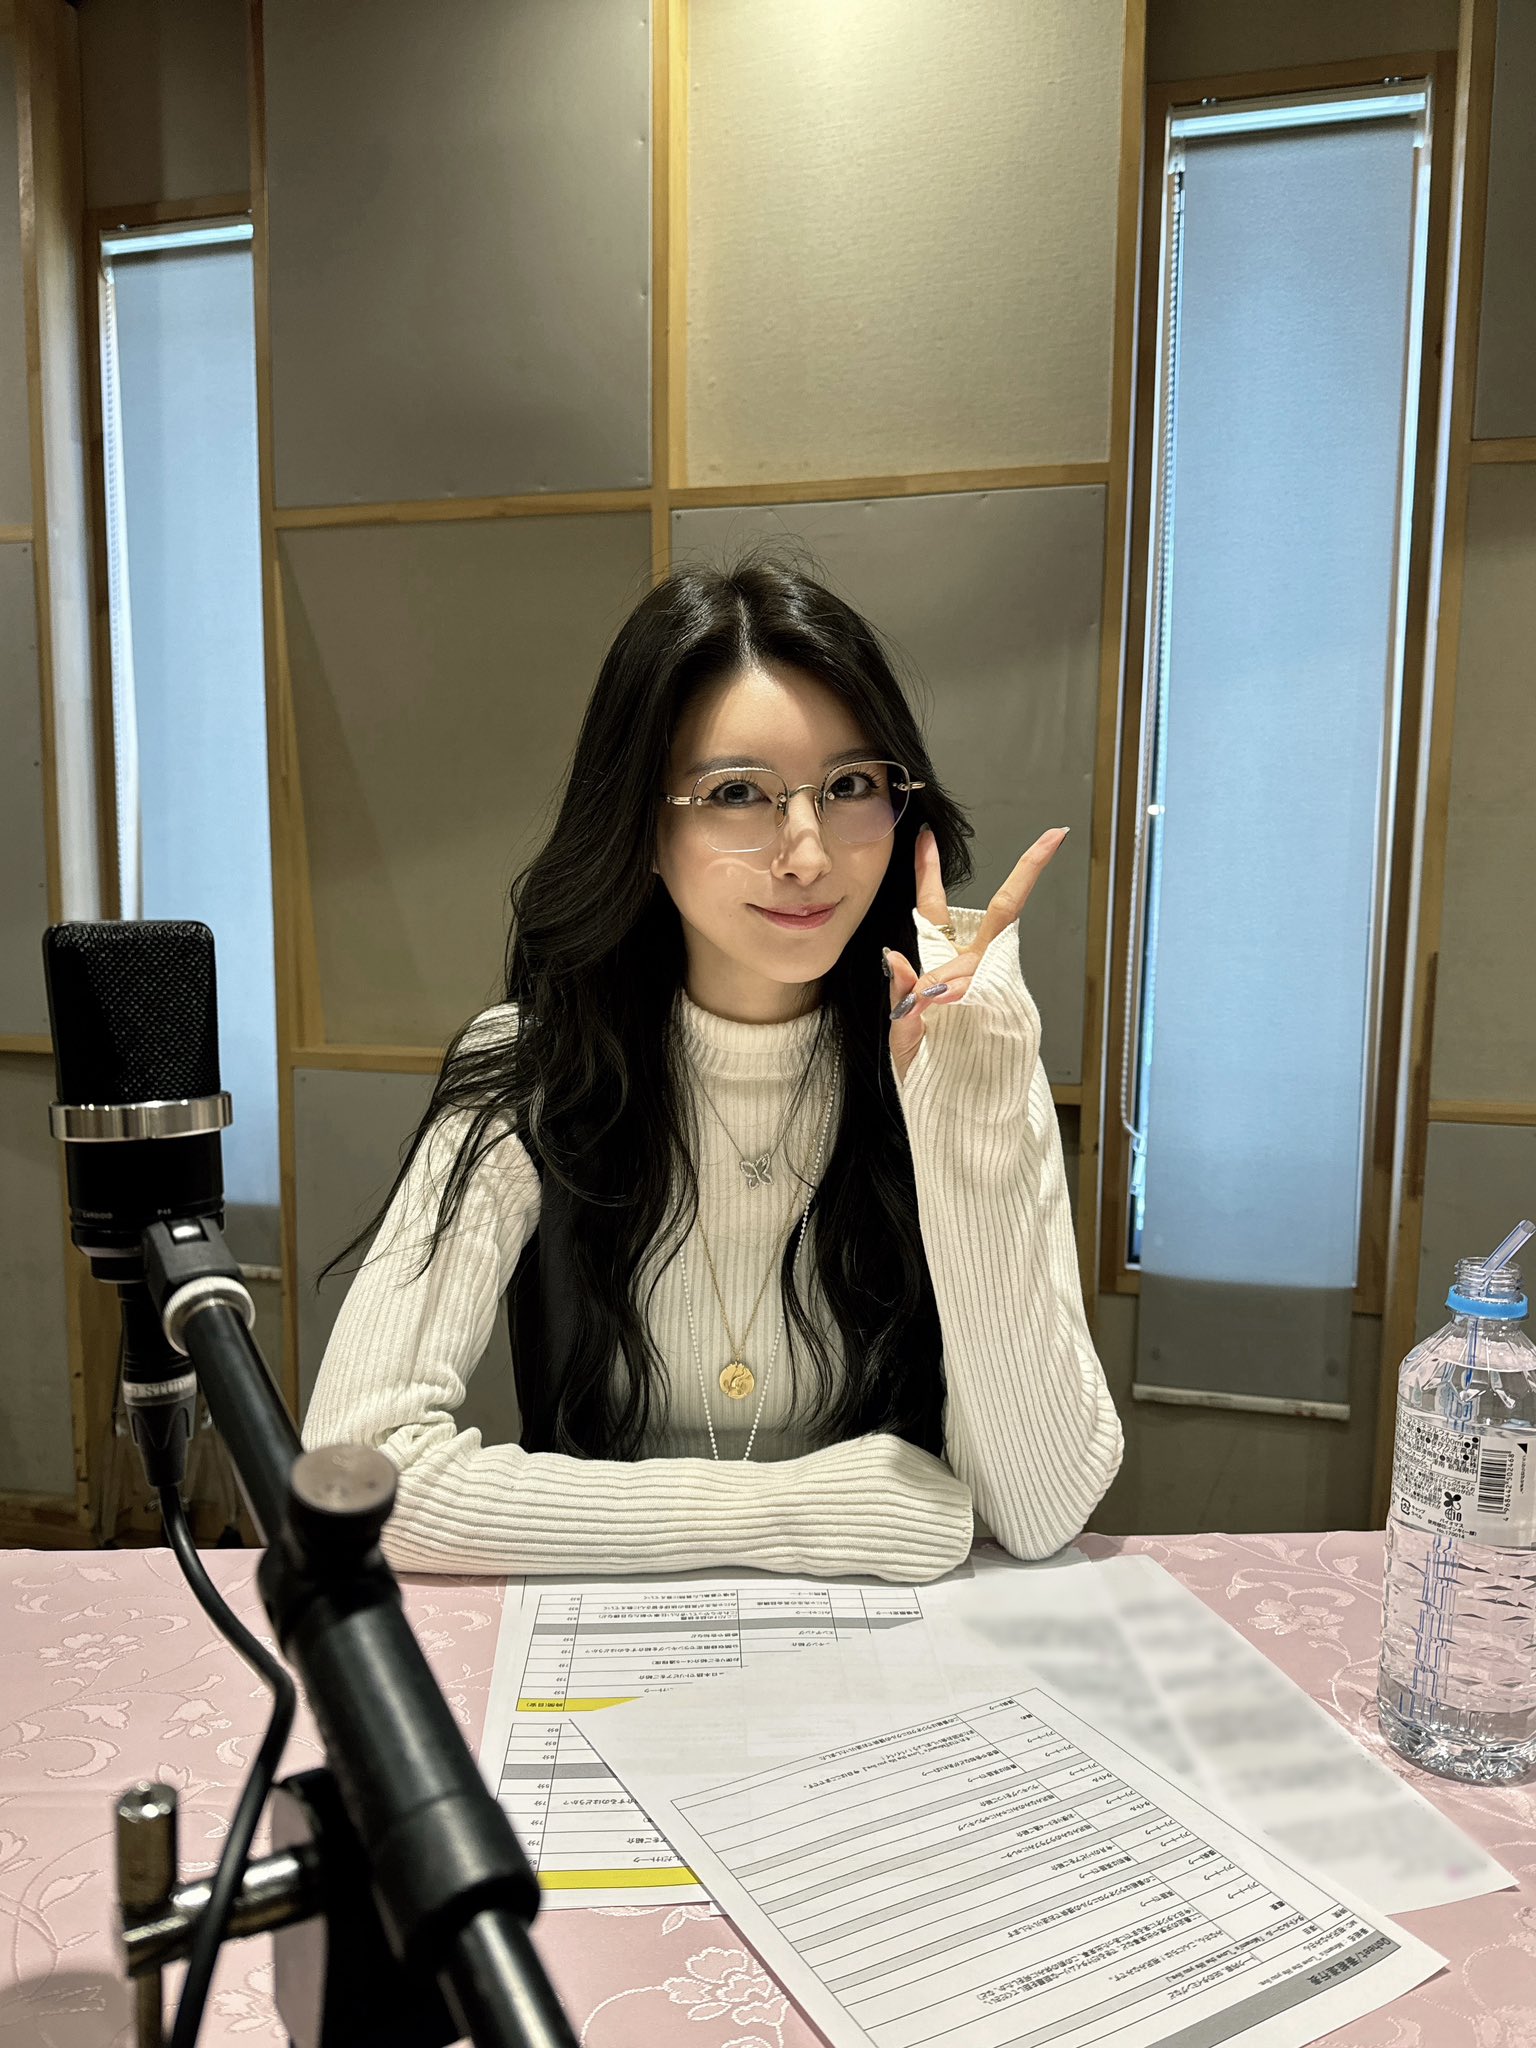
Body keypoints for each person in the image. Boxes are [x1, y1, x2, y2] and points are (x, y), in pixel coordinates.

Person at [303, 558, 1122, 1581]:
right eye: (738, 793)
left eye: (850, 786)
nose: (807, 853)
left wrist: (970, 1121)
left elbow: (1040, 1509)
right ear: (643, 828)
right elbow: (357, 1476)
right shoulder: (527, 1071)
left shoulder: (961, 1048)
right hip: (609, 1650)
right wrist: (792, 1514)